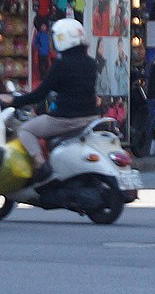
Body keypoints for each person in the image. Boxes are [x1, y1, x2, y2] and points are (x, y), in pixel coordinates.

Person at [0, 18, 98, 182]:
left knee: (26, 130)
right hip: (91, 117)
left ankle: (41, 165)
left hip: (66, 119)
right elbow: (74, 86)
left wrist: (13, 100)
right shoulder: (90, 63)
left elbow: (39, 95)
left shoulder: (61, 65)